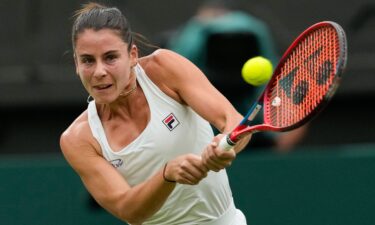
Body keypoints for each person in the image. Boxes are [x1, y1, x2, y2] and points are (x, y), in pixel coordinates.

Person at [60, 2, 250, 225]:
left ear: (132, 55)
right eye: (88, 60)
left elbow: (233, 121)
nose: (99, 72)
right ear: (76, 63)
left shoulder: (163, 69)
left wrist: (226, 147)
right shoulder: (78, 139)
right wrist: (167, 174)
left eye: (111, 57)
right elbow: (128, 209)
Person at [167, 0, 307, 152]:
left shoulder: (195, 30)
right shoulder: (255, 28)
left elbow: (175, 68)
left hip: (244, 136)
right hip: (240, 138)